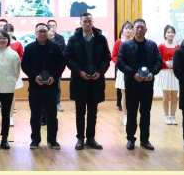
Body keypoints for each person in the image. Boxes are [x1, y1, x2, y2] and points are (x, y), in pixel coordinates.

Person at [63, 13, 111, 150]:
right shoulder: (74, 39)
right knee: (80, 112)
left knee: (93, 112)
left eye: (89, 21)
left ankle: (91, 138)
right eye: (84, 21)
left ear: (93, 22)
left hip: (96, 80)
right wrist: (79, 71)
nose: (87, 23)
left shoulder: (101, 38)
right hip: (80, 80)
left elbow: (107, 57)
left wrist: (100, 72)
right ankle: (80, 138)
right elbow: (67, 57)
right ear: (80, 23)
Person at [117, 18, 163, 151]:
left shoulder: (152, 45)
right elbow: (120, 62)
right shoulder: (125, 45)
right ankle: (130, 139)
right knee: (131, 113)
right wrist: (133, 74)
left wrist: (152, 73)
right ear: (133, 30)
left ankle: (144, 140)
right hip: (132, 84)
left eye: (142, 27)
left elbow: (159, 61)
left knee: (146, 113)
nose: (139, 30)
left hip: (147, 85)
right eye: (137, 27)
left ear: (146, 30)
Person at [21, 23, 66, 149]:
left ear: (48, 33)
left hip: (51, 86)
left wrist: (54, 76)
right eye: (39, 31)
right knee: (35, 115)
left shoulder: (55, 47)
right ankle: (35, 140)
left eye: (44, 31)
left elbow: (61, 64)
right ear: (35, 33)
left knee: (52, 114)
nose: (42, 33)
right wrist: (34, 76)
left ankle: (52, 140)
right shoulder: (29, 48)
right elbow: (25, 65)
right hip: (35, 86)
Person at [0, 30, 21, 149]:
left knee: (6, 114)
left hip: (8, 87)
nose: (2, 40)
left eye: (4, 38)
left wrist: (10, 80)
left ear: (8, 40)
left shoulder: (14, 54)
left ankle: (5, 139)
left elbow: (17, 72)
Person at [158, 25, 180, 125]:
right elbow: (158, 58)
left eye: (172, 32)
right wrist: (165, 62)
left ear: (174, 34)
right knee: (166, 96)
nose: (170, 34)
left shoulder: (178, 47)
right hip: (165, 72)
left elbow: (180, 59)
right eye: (168, 32)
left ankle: (173, 116)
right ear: (165, 34)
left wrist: (176, 64)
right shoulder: (161, 46)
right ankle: (167, 116)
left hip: (175, 73)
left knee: (174, 96)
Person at [112, 21, 134, 124]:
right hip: (122, 71)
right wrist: (121, 65)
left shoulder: (135, 41)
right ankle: (125, 116)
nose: (128, 30)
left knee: (133, 94)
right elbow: (114, 56)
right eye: (126, 28)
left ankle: (132, 115)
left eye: (130, 28)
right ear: (122, 30)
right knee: (124, 93)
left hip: (133, 71)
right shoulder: (118, 42)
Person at [3, 23, 24, 126]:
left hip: (13, 73)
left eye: (10, 31)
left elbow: (21, 57)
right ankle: (4, 116)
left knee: (12, 95)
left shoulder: (18, 44)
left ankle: (10, 117)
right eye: (6, 31)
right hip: (1, 73)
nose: (9, 33)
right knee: (2, 96)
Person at [47, 19, 66, 113]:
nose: (52, 27)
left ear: (56, 27)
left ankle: (57, 103)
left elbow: (64, 50)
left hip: (56, 67)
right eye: (50, 25)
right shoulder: (43, 38)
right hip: (45, 67)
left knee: (57, 85)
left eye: (53, 25)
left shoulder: (60, 38)